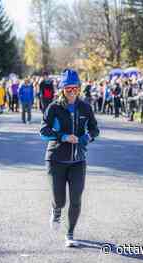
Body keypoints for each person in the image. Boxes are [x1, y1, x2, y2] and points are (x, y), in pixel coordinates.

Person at [40, 68, 99, 248]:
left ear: (79, 88)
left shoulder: (85, 107)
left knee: (75, 199)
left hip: (78, 161)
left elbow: (95, 129)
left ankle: (70, 233)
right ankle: (56, 210)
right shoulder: (54, 107)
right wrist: (63, 137)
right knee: (60, 200)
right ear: (62, 89)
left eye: (75, 88)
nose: (72, 91)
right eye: (68, 88)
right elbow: (44, 131)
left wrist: (85, 138)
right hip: (56, 159)